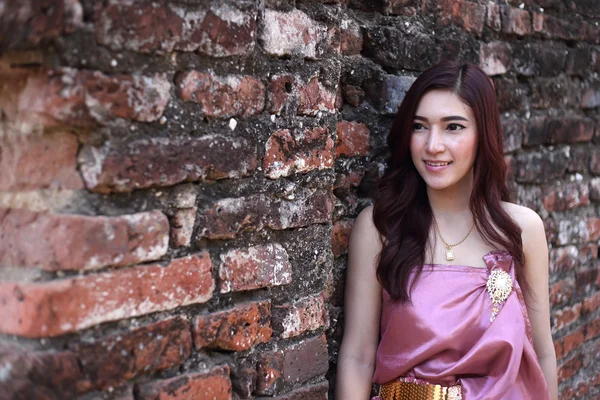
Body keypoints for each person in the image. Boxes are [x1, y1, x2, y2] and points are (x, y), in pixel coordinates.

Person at [335, 61, 558, 400]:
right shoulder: (380, 228)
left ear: (484, 133)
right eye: (420, 126)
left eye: (453, 127)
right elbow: (358, 357)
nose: (433, 145)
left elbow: (541, 354)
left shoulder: (522, 229)